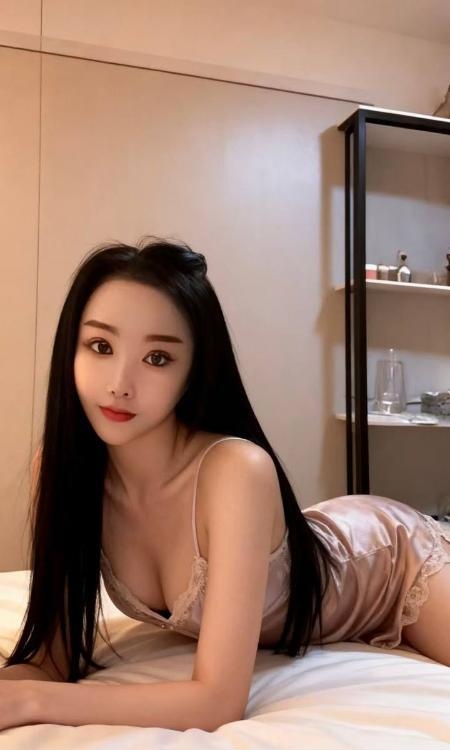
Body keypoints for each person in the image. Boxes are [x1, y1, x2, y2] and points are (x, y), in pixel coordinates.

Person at [0, 236, 449, 732]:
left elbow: (216, 703)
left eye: (157, 358)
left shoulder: (236, 470)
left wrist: (31, 703)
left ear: (193, 370)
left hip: (390, 561)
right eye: (100, 347)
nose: (119, 384)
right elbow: (51, 660)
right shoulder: (64, 471)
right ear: (71, 348)